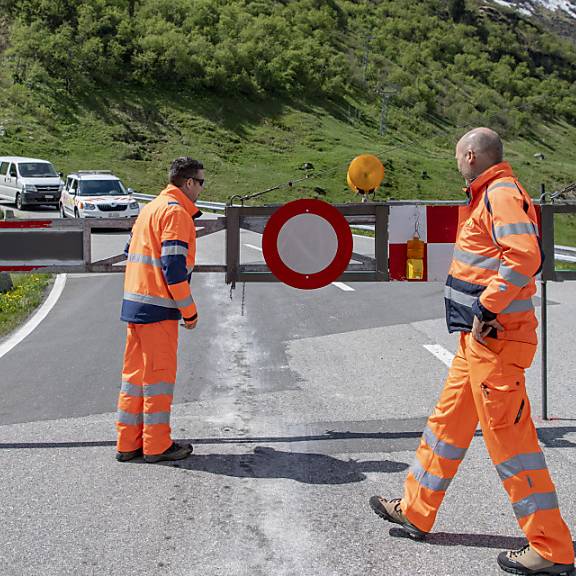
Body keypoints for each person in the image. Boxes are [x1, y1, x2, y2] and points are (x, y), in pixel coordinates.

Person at [370, 128, 575, 576]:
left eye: (458, 158)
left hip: (496, 338)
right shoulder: (489, 193)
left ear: (469, 155)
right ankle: (415, 508)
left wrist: (486, 305)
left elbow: (523, 257)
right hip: (478, 341)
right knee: (447, 423)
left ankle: (551, 546)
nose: (457, 164)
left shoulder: (500, 193)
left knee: (510, 443)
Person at [115, 157, 204, 464]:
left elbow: (129, 252)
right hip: (158, 309)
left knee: (134, 378)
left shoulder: (149, 209)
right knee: (158, 379)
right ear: (188, 183)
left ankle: (128, 443)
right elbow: (174, 268)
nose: (202, 189)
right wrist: (189, 311)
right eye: (201, 182)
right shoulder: (176, 213)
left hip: (134, 305)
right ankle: (156, 446)